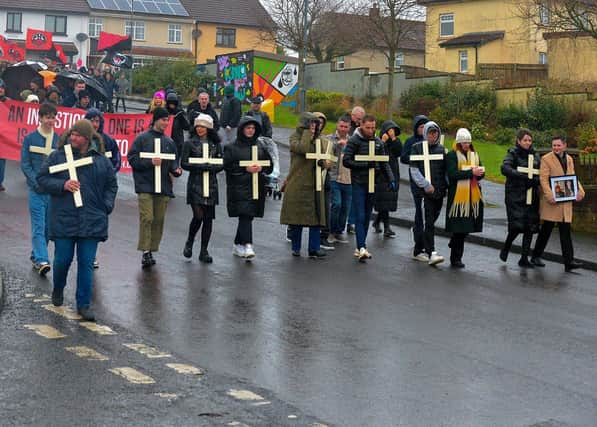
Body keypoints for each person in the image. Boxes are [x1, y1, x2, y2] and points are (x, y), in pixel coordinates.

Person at [36, 119, 118, 321]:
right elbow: (42, 178)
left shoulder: (100, 161)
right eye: (72, 134)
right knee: (62, 260)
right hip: (65, 218)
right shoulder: (58, 157)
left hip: (92, 221)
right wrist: (63, 185)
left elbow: (111, 185)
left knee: (86, 263)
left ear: (87, 138)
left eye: (78, 135)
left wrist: (106, 206)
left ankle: (83, 304)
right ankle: (59, 288)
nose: (73, 137)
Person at [128, 107, 183, 268]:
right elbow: (133, 159)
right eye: (163, 120)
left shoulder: (169, 142)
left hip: (163, 186)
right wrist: (149, 162)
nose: (166, 123)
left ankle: (151, 249)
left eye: (167, 120)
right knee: (148, 217)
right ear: (156, 120)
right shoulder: (142, 139)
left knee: (158, 219)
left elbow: (173, 162)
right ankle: (145, 251)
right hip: (145, 184)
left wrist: (176, 170)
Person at [343, 115, 395, 262]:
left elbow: (384, 162)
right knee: (359, 215)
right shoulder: (354, 140)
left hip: (373, 184)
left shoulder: (378, 142)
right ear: (361, 125)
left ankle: (360, 246)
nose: (371, 130)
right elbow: (346, 161)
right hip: (358, 182)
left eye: (373, 128)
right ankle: (361, 247)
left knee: (366, 215)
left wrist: (391, 179)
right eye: (368, 128)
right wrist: (365, 165)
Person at [280, 113, 332, 258]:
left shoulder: (319, 140)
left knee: (316, 218)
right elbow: (303, 149)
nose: (315, 127)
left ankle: (314, 248)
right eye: (312, 124)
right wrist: (307, 133)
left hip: (315, 183)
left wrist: (325, 163)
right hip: (298, 182)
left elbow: (321, 158)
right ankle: (296, 247)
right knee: (297, 218)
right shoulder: (295, 137)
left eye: (316, 124)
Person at [531, 136, 585, 272]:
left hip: (565, 201)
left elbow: (572, 178)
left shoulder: (569, 159)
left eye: (558, 145)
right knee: (546, 231)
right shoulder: (546, 159)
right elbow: (543, 180)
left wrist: (580, 191)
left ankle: (569, 262)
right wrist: (549, 196)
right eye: (554, 145)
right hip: (552, 202)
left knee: (565, 232)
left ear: (564, 146)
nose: (556, 148)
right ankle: (536, 256)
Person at [223, 116, 273, 260]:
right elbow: (227, 166)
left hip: (257, 186)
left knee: (249, 216)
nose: (250, 131)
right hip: (239, 186)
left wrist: (261, 167)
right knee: (245, 214)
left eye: (253, 128)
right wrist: (245, 168)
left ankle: (238, 244)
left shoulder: (261, 147)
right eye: (248, 128)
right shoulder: (232, 147)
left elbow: (269, 166)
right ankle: (248, 245)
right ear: (242, 129)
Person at [21, 103, 60, 275]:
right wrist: (36, 183)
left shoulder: (58, 139)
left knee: (48, 229)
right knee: (38, 226)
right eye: (48, 117)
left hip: (52, 192)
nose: (51, 120)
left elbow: (61, 164)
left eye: (53, 117)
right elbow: (25, 164)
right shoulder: (30, 139)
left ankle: (36, 255)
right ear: (41, 118)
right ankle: (43, 259)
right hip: (36, 191)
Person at [180, 114, 224, 263]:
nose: (200, 129)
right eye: (198, 126)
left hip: (210, 184)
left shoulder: (215, 144)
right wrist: (199, 166)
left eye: (203, 126)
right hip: (195, 184)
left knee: (208, 219)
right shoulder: (189, 143)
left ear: (208, 128)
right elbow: (184, 163)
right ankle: (190, 241)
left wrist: (213, 168)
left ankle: (204, 250)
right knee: (198, 216)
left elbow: (221, 162)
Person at [500, 128, 541, 268]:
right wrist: (522, 176)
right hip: (515, 195)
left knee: (530, 226)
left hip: (531, 195)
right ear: (518, 140)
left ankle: (524, 258)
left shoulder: (535, 155)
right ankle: (506, 247)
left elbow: (541, 172)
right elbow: (505, 168)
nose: (528, 143)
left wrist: (535, 181)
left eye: (530, 140)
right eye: (525, 140)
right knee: (517, 226)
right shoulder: (513, 153)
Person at [445, 128, 485, 268]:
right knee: (460, 228)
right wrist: (471, 172)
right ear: (458, 142)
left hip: (472, 195)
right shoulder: (451, 156)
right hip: (458, 197)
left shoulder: (474, 155)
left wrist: (480, 173)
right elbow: (452, 174)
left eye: (468, 142)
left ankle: (454, 241)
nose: (467, 145)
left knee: (467, 227)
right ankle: (456, 259)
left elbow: (480, 171)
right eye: (464, 142)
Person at [409, 121, 447, 265]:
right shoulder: (417, 148)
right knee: (428, 222)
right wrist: (425, 185)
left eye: (435, 132)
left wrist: (446, 187)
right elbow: (414, 170)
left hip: (439, 191)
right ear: (425, 133)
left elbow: (445, 171)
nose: (433, 135)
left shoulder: (442, 149)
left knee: (431, 221)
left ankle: (418, 248)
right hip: (424, 192)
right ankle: (432, 252)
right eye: (430, 132)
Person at [400, 115, 429, 255]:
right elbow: (404, 157)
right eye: (420, 127)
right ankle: (419, 237)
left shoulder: (431, 141)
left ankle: (421, 232)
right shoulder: (411, 142)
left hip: (430, 179)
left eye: (425, 127)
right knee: (419, 209)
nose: (422, 129)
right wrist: (415, 157)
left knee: (429, 210)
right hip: (416, 179)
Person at [372, 120, 402, 238]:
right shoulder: (379, 142)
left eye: (393, 130)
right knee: (384, 200)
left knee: (387, 201)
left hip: (393, 172)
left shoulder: (396, 142)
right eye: (389, 130)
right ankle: (387, 227)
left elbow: (399, 151)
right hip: (382, 173)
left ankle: (376, 222)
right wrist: (383, 141)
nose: (391, 133)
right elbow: (377, 152)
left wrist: (394, 138)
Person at [326, 115, 353, 244]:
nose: (343, 129)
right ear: (337, 125)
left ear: (349, 128)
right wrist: (337, 145)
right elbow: (325, 154)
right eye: (341, 126)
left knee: (345, 207)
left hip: (349, 179)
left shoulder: (353, 141)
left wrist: (348, 145)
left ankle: (339, 231)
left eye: (346, 127)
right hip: (334, 177)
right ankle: (331, 232)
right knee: (336, 204)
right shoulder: (329, 138)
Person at [165, 91, 190, 156]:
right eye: (170, 103)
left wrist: (182, 117)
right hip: (165, 140)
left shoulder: (180, 113)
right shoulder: (163, 112)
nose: (172, 104)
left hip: (177, 142)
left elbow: (187, 127)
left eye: (173, 103)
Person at [0, 78, 9, 192]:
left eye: (2, 87)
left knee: (1, 161)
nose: (0, 89)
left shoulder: (9, 102)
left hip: (3, 137)